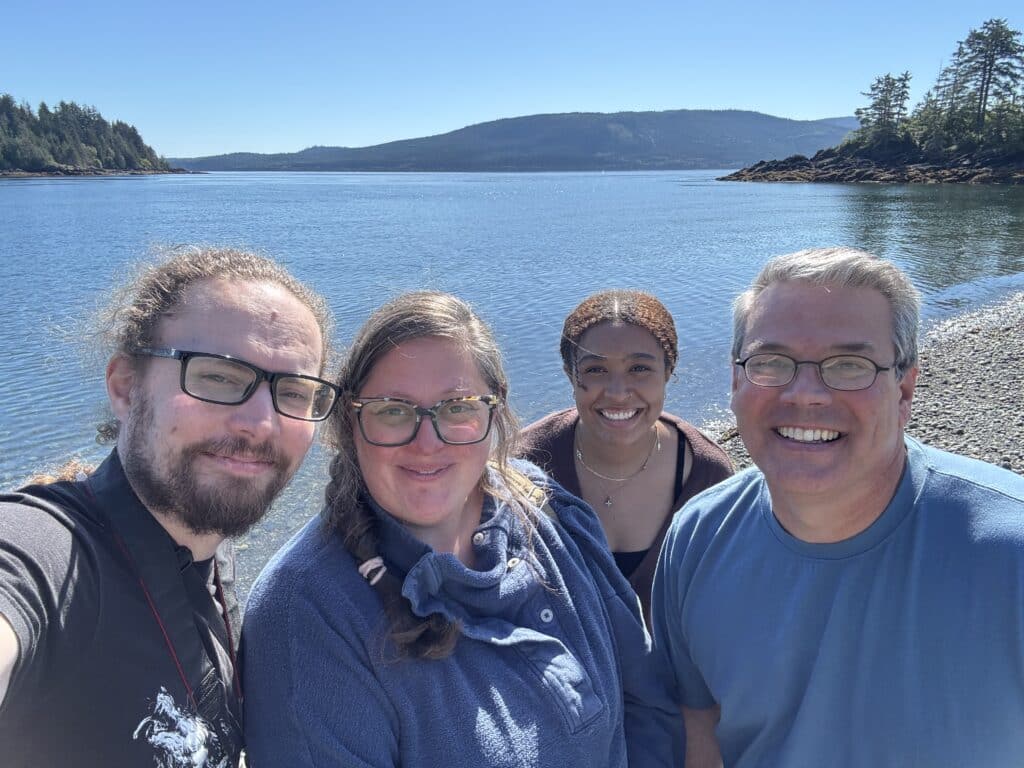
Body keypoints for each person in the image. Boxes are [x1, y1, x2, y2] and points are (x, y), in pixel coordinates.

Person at [242, 291, 682, 767]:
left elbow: (646, 701)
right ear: (351, 423)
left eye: (457, 407)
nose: (427, 442)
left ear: (495, 412)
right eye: (392, 410)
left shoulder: (548, 511)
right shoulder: (310, 615)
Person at [651, 247, 1024, 767]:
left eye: (848, 365)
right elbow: (700, 732)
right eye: (771, 363)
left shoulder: (1010, 551)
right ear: (735, 381)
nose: (806, 394)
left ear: (905, 389)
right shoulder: (697, 538)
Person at [0, 247, 337, 768]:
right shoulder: (47, 554)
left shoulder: (212, 559)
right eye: (218, 376)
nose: (260, 423)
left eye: (293, 392)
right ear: (125, 386)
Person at [522, 290, 732, 627]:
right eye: (596, 369)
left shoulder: (707, 474)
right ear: (568, 372)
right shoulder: (523, 464)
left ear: (669, 369)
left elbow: (720, 602)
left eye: (639, 368)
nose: (618, 392)